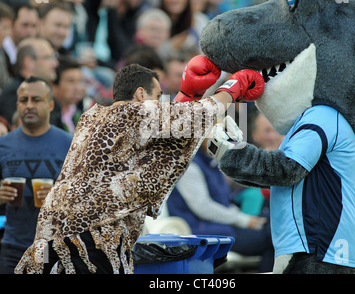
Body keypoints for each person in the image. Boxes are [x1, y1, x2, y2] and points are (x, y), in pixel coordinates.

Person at [15, 56, 264, 274]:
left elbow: (161, 141)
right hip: (92, 236)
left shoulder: (92, 116)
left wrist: (188, 96)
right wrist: (232, 87)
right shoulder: (132, 113)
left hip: (51, 234)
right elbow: (193, 116)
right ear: (141, 95)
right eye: (158, 97)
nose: (161, 104)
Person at [167, 136, 274, 273]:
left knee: (270, 226)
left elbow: (224, 201)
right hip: (201, 233)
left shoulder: (211, 161)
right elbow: (203, 207)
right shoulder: (189, 165)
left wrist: (242, 218)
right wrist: (243, 220)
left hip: (222, 228)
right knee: (271, 240)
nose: (220, 136)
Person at [0, 76, 73, 274]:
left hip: (55, 246)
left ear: (50, 105)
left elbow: (86, 197)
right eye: (24, 100)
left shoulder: (69, 144)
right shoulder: (3, 145)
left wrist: (58, 197)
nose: (29, 105)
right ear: (17, 104)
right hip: (13, 245)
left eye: (36, 100)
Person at [0, 37, 58, 126]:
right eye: (48, 57)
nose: (55, 63)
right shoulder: (13, 94)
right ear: (29, 61)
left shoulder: (48, 93)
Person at [52, 55, 85, 133]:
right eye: (71, 81)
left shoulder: (80, 114)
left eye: (80, 81)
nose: (78, 88)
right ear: (54, 86)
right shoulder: (48, 119)